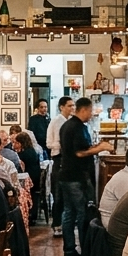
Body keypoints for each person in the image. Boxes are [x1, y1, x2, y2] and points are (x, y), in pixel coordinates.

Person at [59, 97, 115, 256]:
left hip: (68, 176)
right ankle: (84, 251)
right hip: (75, 177)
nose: (91, 114)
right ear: (83, 110)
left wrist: (95, 146)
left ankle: (70, 251)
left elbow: (81, 149)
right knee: (82, 214)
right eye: (90, 111)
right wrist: (101, 148)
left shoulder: (68, 126)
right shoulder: (76, 127)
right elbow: (79, 153)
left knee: (69, 214)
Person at [47, 97, 75, 236]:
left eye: (73, 105)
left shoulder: (67, 122)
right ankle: (57, 224)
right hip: (59, 159)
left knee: (64, 195)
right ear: (61, 107)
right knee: (58, 194)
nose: (72, 108)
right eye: (69, 105)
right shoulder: (58, 121)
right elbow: (50, 143)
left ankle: (62, 223)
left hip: (65, 159)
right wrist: (65, 146)